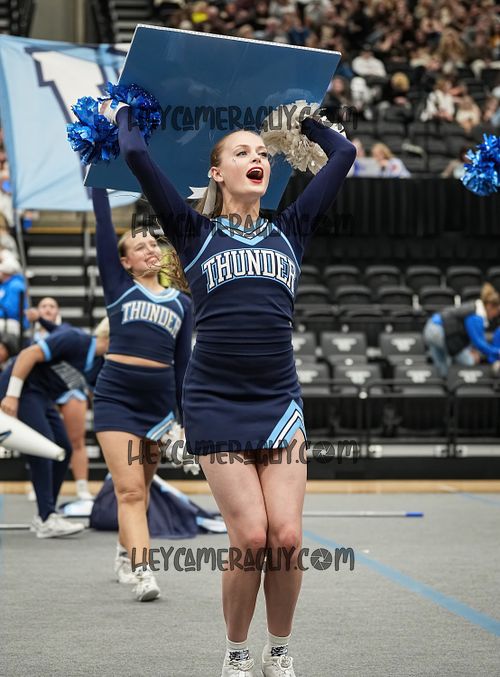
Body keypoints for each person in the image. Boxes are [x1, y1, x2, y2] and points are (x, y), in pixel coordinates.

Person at [101, 97, 355, 676]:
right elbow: (135, 151)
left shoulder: (291, 228)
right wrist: (125, 110)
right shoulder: (192, 231)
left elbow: (343, 153)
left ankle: (279, 649)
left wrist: (300, 122)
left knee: (286, 536)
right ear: (216, 173)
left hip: (279, 402)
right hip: (215, 403)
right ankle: (236, 651)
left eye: (262, 152)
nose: (256, 157)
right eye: (241, 152)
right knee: (251, 536)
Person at [91, 186, 193, 602]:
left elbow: (183, 368)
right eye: (139, 245)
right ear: (125, 262)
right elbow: (102, 224)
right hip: (116, 400)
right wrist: (97, 180)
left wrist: (183, 423)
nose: (150, 249)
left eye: (154, 243)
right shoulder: (119, 286)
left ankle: (123, 551)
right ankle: (143, 570)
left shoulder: (182, 304)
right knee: (130, 490)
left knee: (142, 489)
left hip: (158, 408)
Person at [0, 326, 108, 537]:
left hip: (44, 397)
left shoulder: (99, 364)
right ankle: (46, 517)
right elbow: (28, 354)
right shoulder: (74, 339)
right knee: (43, 449)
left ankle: (46, 515)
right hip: (24, 389)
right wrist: (11, 395)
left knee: (63, 449)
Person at [25, 297, 93, 500]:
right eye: (43, 306)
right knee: (40, 440)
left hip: (69, 388)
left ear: (58, 311)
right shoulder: (30, 338)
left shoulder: (66, 331)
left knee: (76, 440)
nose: (47, 309)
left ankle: (82, 487)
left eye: (52, 306)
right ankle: (39, 486)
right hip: (44, 392)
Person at [423, 283, 500, 378]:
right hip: (438, 331)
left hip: (430, 327)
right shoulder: (476, 315)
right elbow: (479, 342)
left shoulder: (474, 307)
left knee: (443, 368)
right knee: (469, 361)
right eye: (497, 311)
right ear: (490, 306)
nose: (496, 315)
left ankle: (446, 383)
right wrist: (497, 352)